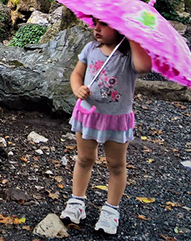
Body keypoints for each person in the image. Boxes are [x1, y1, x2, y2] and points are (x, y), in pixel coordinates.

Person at [59, 18, 152, 235]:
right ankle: (77, 201)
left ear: (120, 28)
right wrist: (77, 88)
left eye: (104, 24)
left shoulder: (129, 54)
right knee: (84, 158)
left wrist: (132, 36)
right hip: (89, 115)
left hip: (116, 119)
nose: (96, 28)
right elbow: (77, 74)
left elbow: (144, 67)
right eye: (95, 23)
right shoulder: (91, 48)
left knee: (116, 164)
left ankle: (111, 210)